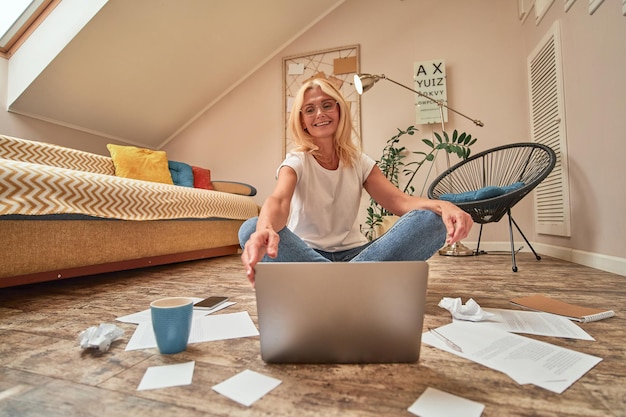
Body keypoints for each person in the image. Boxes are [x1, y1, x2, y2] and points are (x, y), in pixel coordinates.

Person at [239, 77, 473, 285]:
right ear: (302, 121)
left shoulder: (359, 162)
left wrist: (442, 206)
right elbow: (279, 200)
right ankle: (357, 285)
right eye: (309, 109)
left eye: (327, 105)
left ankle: (332, 285)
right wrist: (266, 228)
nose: (319, 113)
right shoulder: (296, 161)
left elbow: (398, 201)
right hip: (307, 257)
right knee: (251, 227)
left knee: (430, 219)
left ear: (340, 111)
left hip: (357, 255)